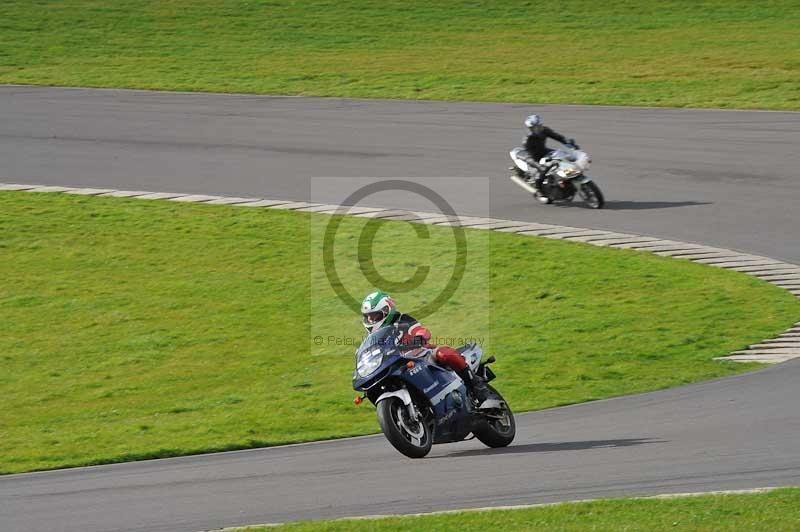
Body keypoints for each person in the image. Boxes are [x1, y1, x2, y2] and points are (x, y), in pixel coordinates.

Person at [361, 290, 490, 403]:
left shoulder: (403, 320)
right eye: (368, 317)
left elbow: (421, 331)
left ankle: (475, 384)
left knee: (443, 354)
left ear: (386, 310)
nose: (371, 320)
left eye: (375, 315)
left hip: (421, 354)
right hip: (398, 365)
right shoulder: (373, 338)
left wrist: (419, 337)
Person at [514, 114, 579, 194]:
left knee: (565, 157)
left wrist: (568, 142)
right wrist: (538, 166)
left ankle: (567, 179)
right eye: (535, 127)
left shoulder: (544, 130)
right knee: (541, 175)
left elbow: (557, 137)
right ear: (531, 128)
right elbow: (529, 156)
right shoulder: (527, 140)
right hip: (535, 158)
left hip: (544, 151)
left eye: (539, 125)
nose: (539, 127)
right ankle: (540, 192)